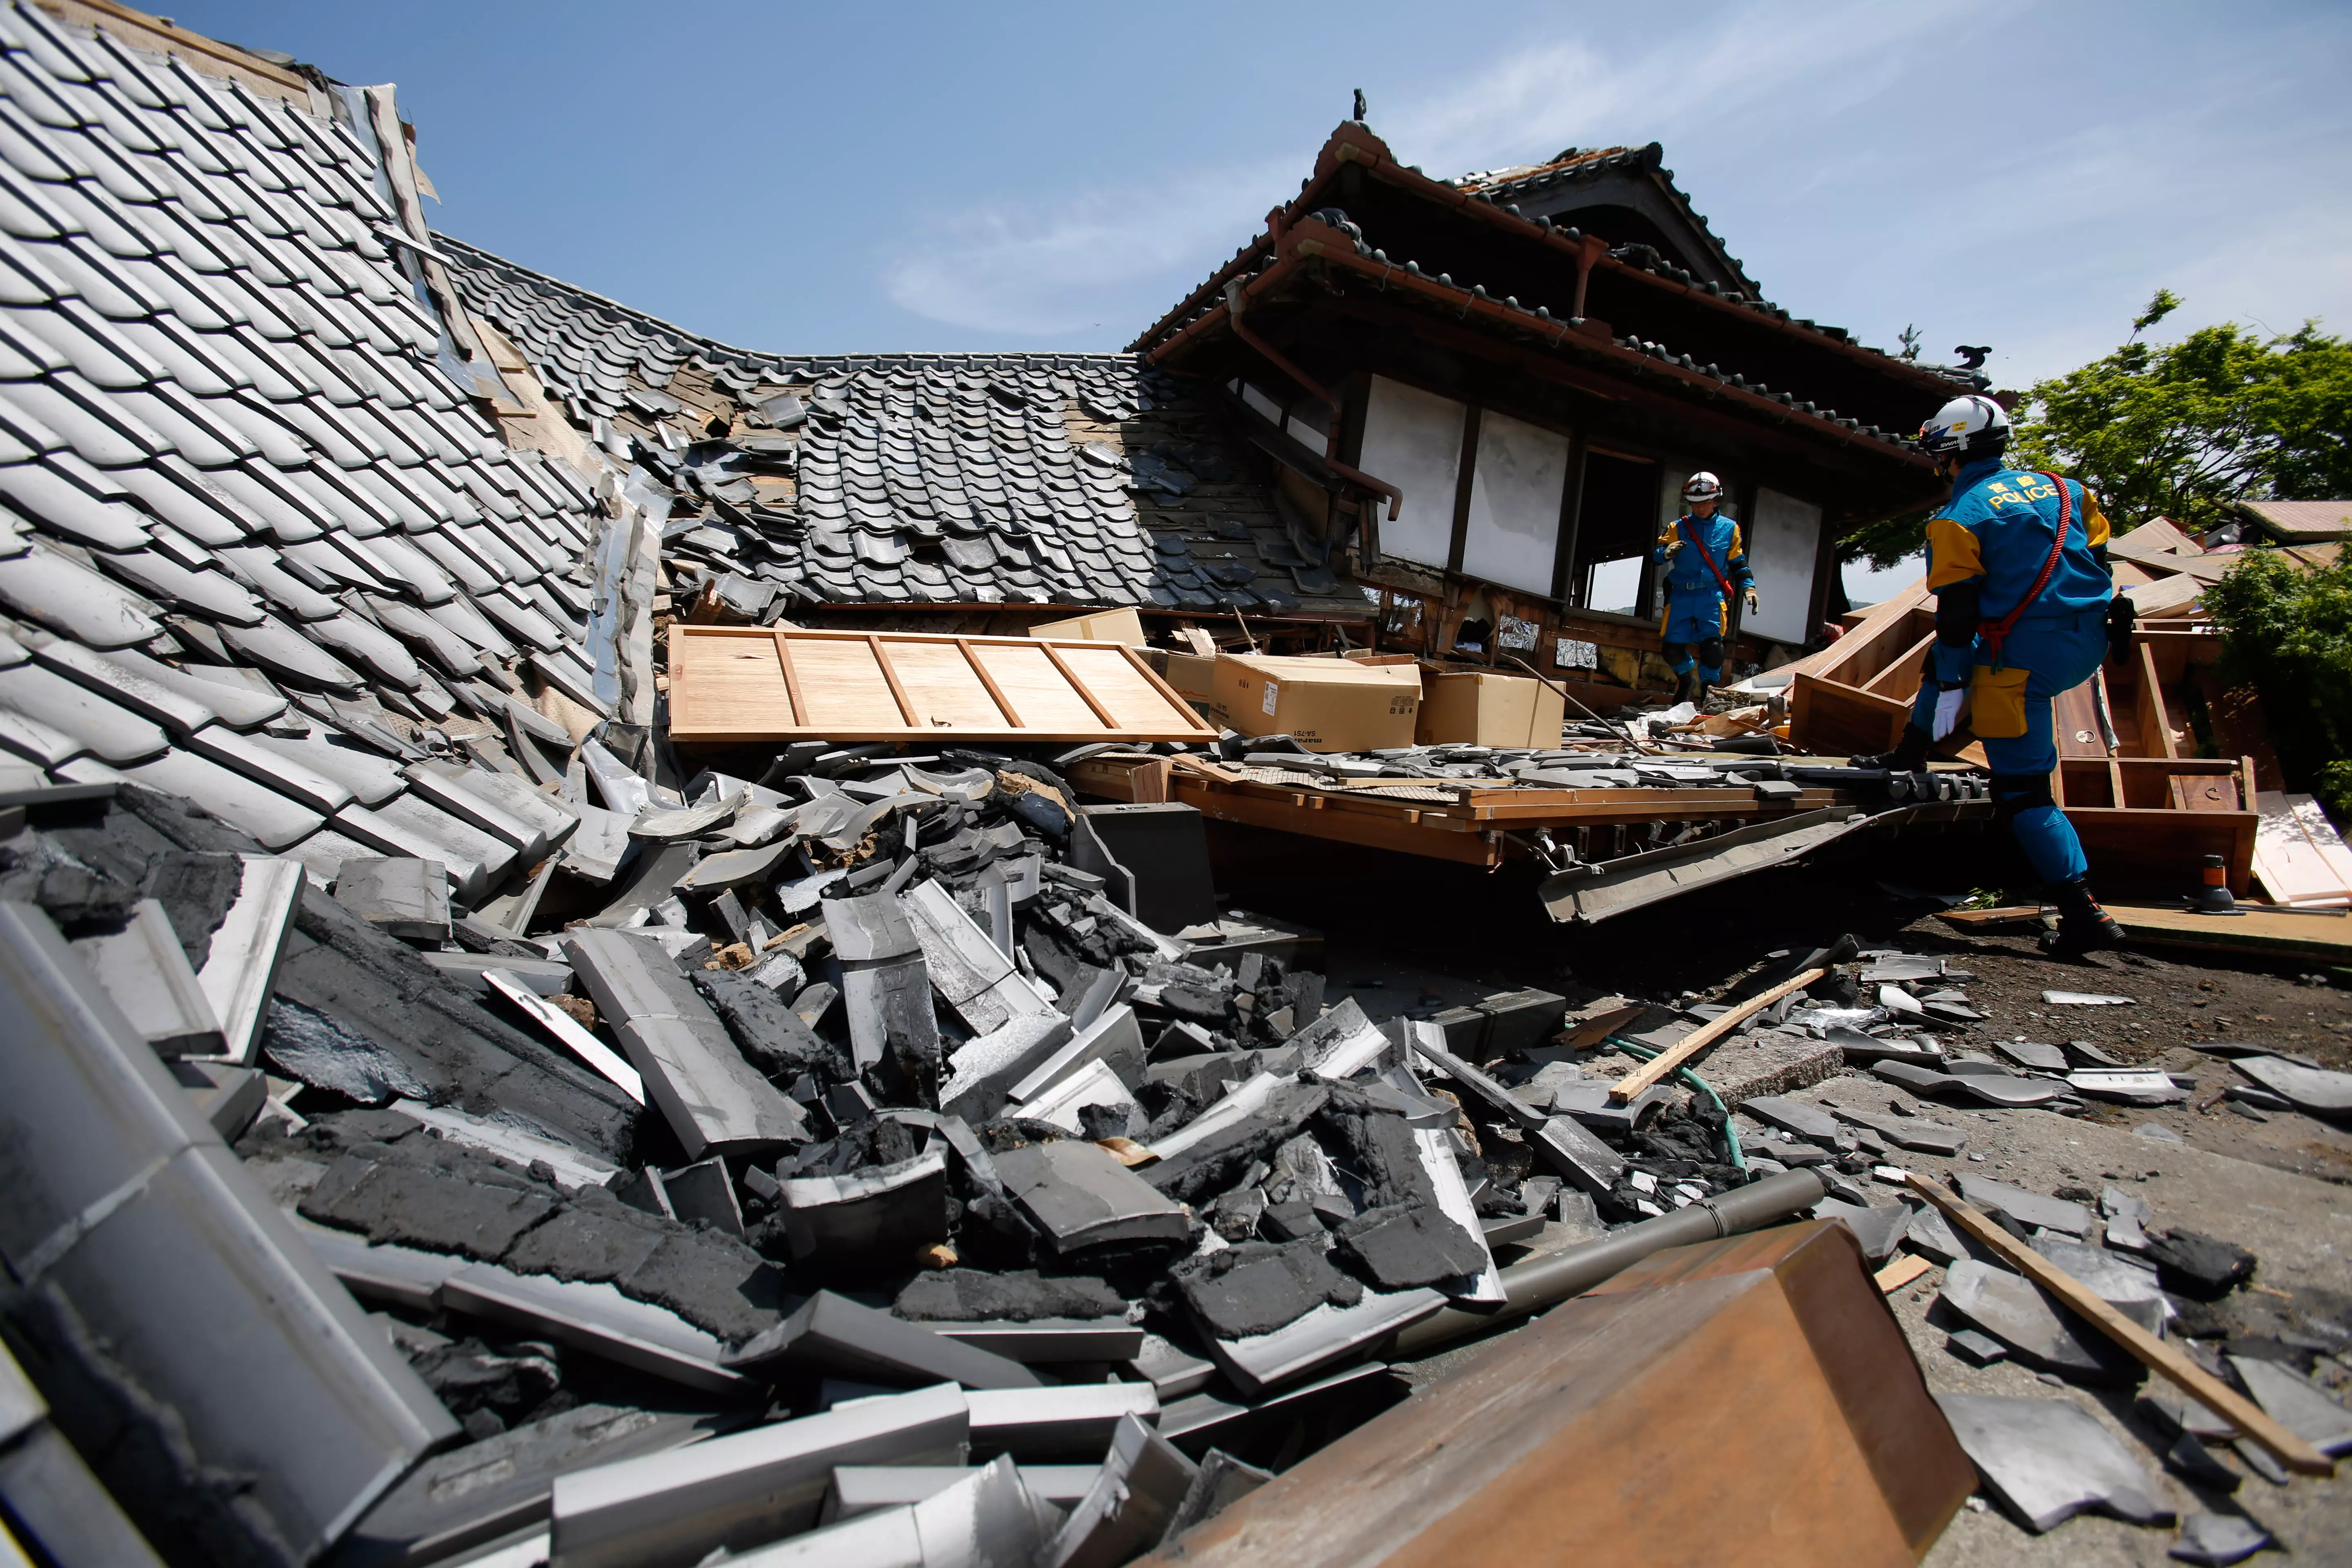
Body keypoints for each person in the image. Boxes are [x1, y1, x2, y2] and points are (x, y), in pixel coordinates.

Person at [1858, 393, 2124, 956]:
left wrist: (1951, 685)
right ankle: (1910, 750)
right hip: (2091, 640)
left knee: (2023, 790)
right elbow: (2101, 560)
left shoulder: (1959, 519)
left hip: (2023, 662)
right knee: (1965, 664)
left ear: (1947, 452)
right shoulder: (2066, 489)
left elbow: (1956, 621)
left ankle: (2083, 913)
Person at [1652, 472, 1758, 705]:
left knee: (1713, 649)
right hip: (1681, 594)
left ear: (1716, 500)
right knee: (1671, 649)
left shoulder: (1730, 529)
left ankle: (1709, 695)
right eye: (1695, 503)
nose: (1700, 508)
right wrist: (1667, 552)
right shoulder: (1678, 527)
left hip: (1711, 596)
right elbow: (1657, 555)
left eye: (1705, 502)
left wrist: (1749, 588)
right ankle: (1686, 679)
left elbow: (1738, 561)